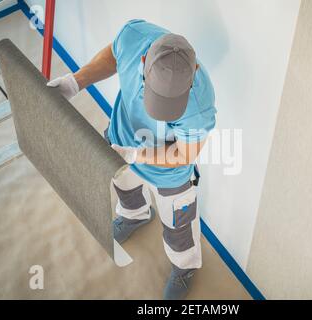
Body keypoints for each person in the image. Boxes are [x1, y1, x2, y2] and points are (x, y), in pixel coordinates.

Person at [48, 19, 217, 300]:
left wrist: (138, 155)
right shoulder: (132, 37)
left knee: (179, 227)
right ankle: (134, 216)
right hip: (121, 139)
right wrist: (75, 82)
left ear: (195, 71)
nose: (161, 112)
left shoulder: (200, 103)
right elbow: (112, 57)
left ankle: (184, 267)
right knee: (123, 187)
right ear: (142, 60)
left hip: (169, 173)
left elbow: (184, 154)